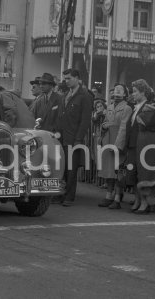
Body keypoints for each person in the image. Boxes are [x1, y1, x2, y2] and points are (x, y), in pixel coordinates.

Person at [131, 79, 155, 214]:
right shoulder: (137, 106)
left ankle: (146, 202)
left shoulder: (153, 105)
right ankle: (140, 200)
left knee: (148, 172)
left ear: (143, 92)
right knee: (140, 172)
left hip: (151, 142)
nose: (133, 94)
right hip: (140, 142)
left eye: (135, 91)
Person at [57, 69, 93, 207]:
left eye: (69, 78)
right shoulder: (66, 95)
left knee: (72, 169)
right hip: (63, 137)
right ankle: (61, 193)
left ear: (77, 78)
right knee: (63, 167)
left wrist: (79, 139)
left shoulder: (84, 96)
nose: (66, 81)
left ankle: (69, 197)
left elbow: (85, 120)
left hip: (74, 138)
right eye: (65, 79)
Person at [97, 84, 132, 209]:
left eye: (120, 89)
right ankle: (108, 196)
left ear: (125, 94)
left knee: (118, 171)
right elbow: (105, 122)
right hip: (108, 140)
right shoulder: (110, 107)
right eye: (115, 89)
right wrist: (104, 125)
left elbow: (123, 127)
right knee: (109, 170)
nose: (117, 90)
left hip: (118, 140)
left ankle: (117, 198)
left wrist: (118, 145)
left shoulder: (127, 108)